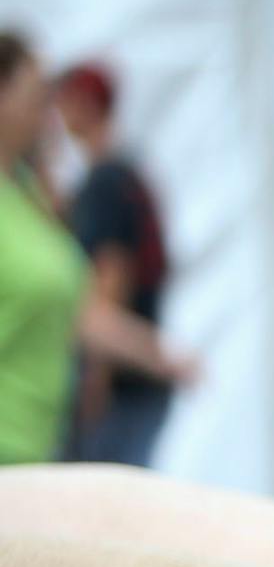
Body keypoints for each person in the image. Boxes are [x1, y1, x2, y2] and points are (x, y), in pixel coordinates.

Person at [0, 31, 189, 468]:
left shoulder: (37, 192)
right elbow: (107, 281)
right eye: (38, 96)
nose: (50, 114)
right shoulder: (113, 177)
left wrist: (149, 356)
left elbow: (87, 302)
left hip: (33, 446)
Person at [51, 60, 177, 467]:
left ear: (84, 105)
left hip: (121, 379)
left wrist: (96, 376)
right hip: (140, 374)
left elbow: (110, 276)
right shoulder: (129, 171)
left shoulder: (104, 180)